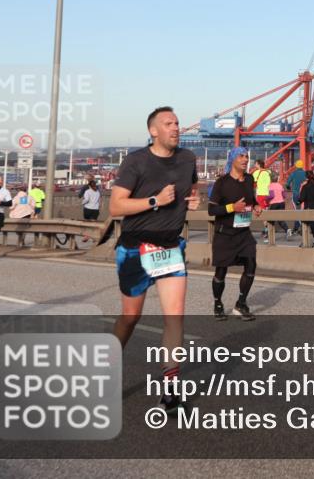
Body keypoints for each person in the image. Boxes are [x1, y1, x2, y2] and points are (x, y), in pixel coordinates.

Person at [108, 106, 200, 411]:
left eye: (177, 122)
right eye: (168, 123)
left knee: (175, 315)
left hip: (170, 247)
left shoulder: (188, 159)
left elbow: (193, 185)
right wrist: (154, 201)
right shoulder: (136, 161)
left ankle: (171, 388)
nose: (176, 127)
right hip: (135, 248)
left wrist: (195, 198)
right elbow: (115, 207)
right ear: (153, 131)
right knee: (130, 318)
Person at [208, 147, 262, 322]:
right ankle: (218, 304)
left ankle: (241, 303)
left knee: (251, 264)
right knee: (221, 271)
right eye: (241, 156)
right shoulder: (221, 183)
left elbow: (250, 199)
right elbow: (211, 209)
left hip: (243, 233)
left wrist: (255, 206)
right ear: (232, 159)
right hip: (225, 234)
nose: (246, 159)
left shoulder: (249, 179)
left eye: (247, 156)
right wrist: (232, 207)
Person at [285, 160, 307, 239]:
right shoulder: (305, 173)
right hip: (304, 195)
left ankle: (297, 227)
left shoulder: (293, 173)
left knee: (296, 211)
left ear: (296, 166)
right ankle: (300, 227)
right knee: (302, 210)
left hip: (295, 194)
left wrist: (289, 187)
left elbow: (287, 184)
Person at [267, 173, 289, 239]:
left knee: (270, 220)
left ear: (270, 179)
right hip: (282, 203)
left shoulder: (270, 186)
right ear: (277, 179)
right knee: (280, 219)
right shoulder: (280, 185)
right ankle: (287, 229)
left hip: (274, 204)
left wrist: (266, 198)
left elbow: (271, 196)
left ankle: (270, 237)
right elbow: (284, 195)